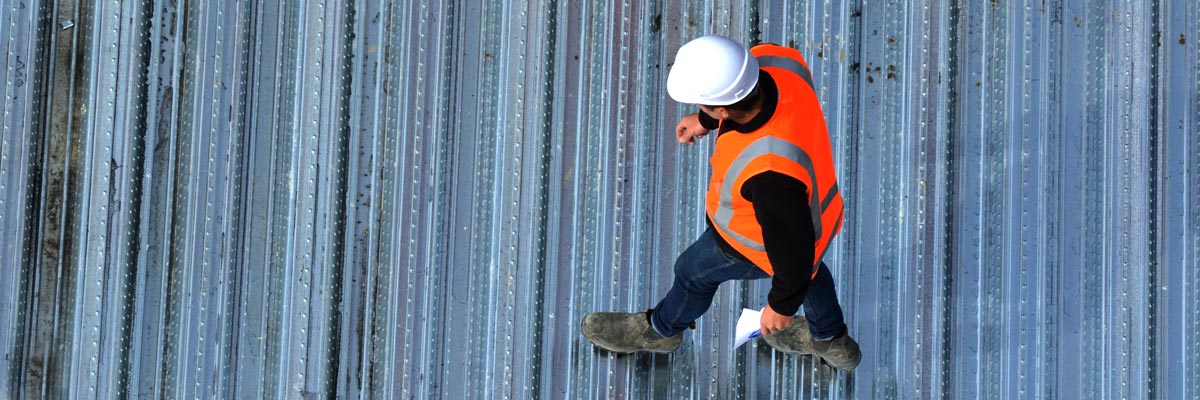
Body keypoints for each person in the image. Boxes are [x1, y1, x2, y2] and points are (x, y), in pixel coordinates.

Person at [580, 35, 861, 371]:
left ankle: (661, 331)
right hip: (820, 211)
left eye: (704, 105)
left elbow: (794, 255)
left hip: (748, 241)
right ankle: (830, 340)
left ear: (725, 108)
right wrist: (706, 120)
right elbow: (745, 94)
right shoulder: (778, 61)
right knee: (812, 272)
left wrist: (782, 306)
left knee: (691, 273)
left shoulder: (769, 174)